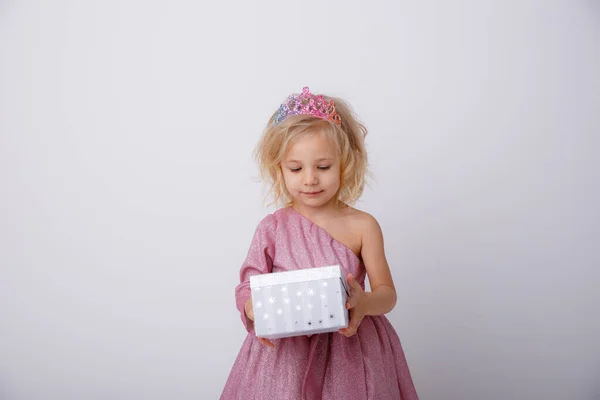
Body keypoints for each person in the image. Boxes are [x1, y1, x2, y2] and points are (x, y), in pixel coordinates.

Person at [221, 87, 419, 399]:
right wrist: (253, 309)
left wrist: (364, 303)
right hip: (286, 357)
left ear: (345, 164)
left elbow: (387, 295)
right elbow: (248, 284)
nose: (310, 179)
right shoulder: (272, 228)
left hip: (351, 351)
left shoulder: (363, 226)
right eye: (296, 168)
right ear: (279, 170)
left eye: (323, 167)